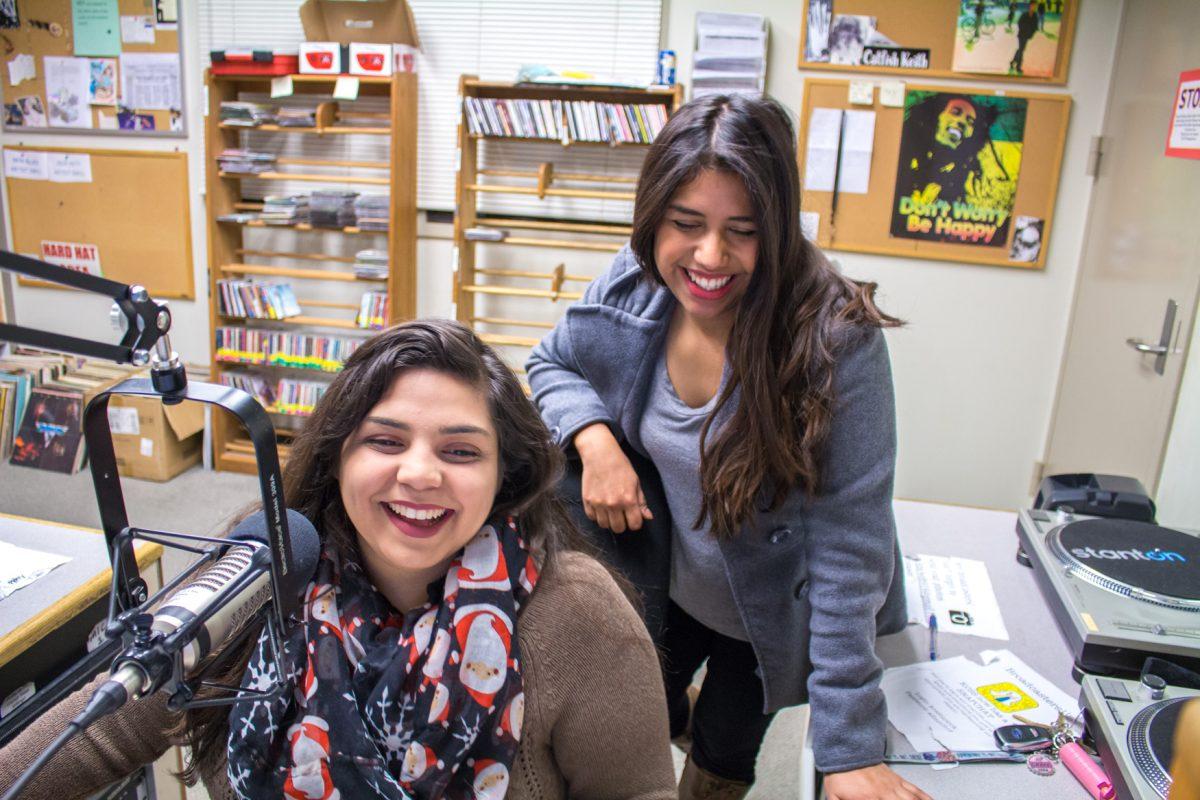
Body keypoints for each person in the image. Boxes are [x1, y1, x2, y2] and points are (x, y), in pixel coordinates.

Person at [0, 320, 676, 800]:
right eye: (385, 440)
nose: (419, 474)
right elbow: (98, 738)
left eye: (460, 451)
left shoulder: (576, 613)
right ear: (337, 455)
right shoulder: (262, 568)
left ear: (506, 475)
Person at [527, 94, 925, 800]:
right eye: (686, 225)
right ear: (655, 217)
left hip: (770, 616)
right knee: (634, 718)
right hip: (668, 581)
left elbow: (849, 550)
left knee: (722, 756)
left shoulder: (837, 341)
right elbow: (550, 363)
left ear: (776, 226)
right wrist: (595, 439)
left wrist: (849, 747)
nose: (709, 257)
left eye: (741, 231)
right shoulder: (634, 281)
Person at [1011, 6, 1039, 74]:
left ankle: (1013, 62)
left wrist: (1031, 33)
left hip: (1027, 35)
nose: (1033, 8)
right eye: (1032, 6)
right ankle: (1018, 67)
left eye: (1034, 6)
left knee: (1021, 49)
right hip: (1021, 34)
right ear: (1030, 6)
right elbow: (1019, 23)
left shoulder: (1035, 16)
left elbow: (1035, 26)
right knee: (1021, 50)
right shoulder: (1025, 14)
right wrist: (1023, 29)